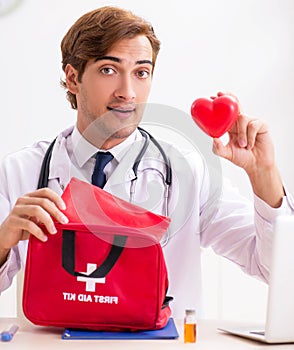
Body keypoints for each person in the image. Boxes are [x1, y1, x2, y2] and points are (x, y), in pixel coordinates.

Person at [0, 6, 293, 318]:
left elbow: (276, 270)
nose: (128, 92)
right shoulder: (22, 170)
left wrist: (264, 175)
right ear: (73, 78)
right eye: (108, 70)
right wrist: (2, 243)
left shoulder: (188, 173)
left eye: (141, 73)